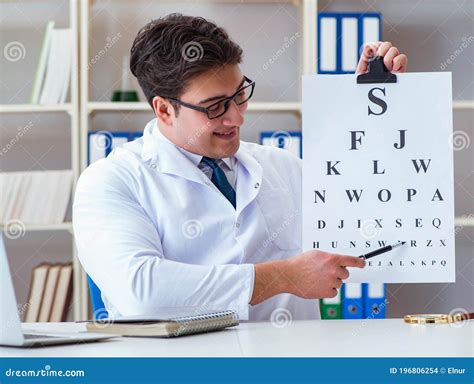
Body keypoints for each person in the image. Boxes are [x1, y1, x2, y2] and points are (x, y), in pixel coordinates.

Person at [73, 13, 408, 321]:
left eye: (240, 94)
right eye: (215, 106)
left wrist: (371, 110)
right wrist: (285, 276)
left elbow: (371, 232)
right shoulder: (111, 181)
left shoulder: (284, 166)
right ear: (163, 110)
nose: (236, 116)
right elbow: (142, 294)